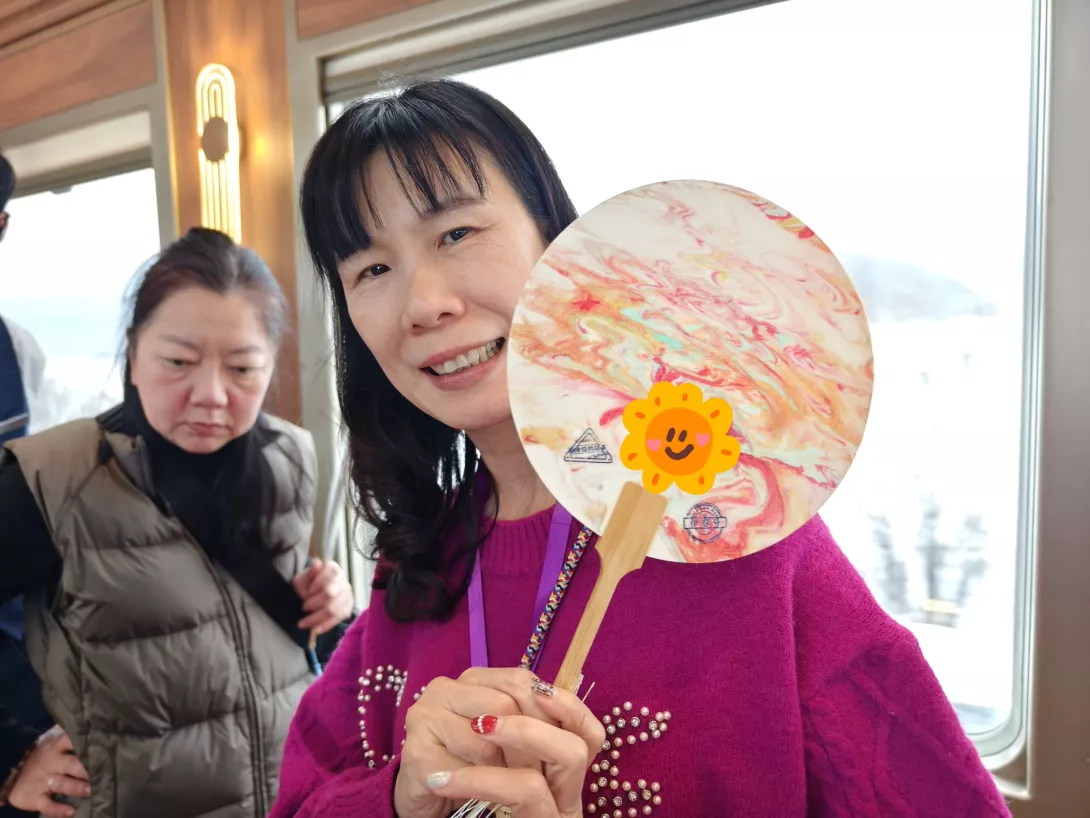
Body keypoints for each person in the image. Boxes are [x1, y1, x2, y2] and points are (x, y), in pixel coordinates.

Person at [270, 80, 1010, 817]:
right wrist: (402, 798)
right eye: (371, 269)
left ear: (556, 242)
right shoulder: (415, 561)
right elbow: (302, 798)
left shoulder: (736, 537)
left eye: (456, 234)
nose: (424, 304)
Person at [0, 227, 355, 818]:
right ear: (134, 355)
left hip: (292, 797)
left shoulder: (288, 457)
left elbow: (270, 630)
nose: (211, 394)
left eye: (242, 368)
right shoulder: (56, 477)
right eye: (178, 362)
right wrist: (11, 756)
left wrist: (330, 604)